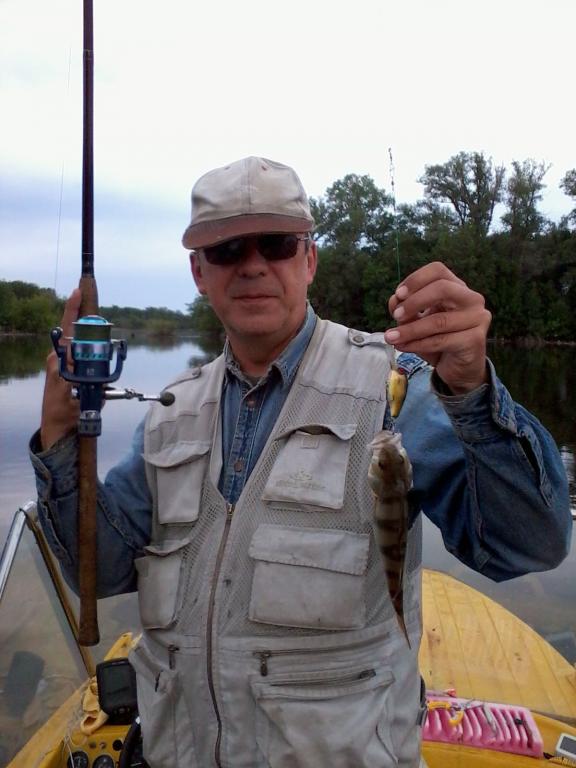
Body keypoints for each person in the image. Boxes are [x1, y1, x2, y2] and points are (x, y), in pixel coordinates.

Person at [30, 156, 571, 768]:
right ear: (199, 272)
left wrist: (472, 394)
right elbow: (98, 574)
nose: (253, 264)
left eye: (277, 244)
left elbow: (529, 546)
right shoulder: (170, 413)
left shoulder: (398, 386)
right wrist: (61, 441)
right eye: (227, 249)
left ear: (309, 259)